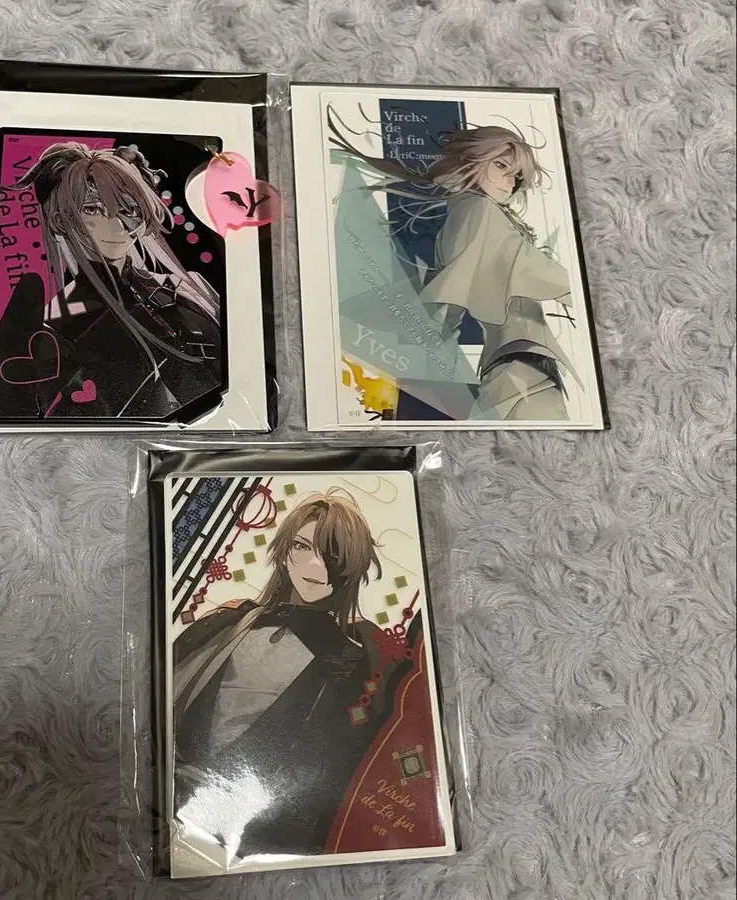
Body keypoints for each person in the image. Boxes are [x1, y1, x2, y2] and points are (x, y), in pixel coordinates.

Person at [172, 489, 413, 859]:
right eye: (301, 547)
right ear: (284, 551)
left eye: (332, 555)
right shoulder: (228, 622)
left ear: (352, 566)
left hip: (253, 838)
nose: (315, 566)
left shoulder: (358, 662)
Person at [329, 108, 578, 420]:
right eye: (501, 165)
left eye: (517, 177)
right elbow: (452, 300)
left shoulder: (466, 211)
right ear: (472, 159)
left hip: (517, 367)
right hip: (523, 371)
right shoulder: (479, 210)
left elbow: (450, 303)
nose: (510, 183)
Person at [0, 141, 222, 421]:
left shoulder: (191, 288)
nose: (117, 225)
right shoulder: (58, 324)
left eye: (128, 209)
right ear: (61, 220)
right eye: (93, 209)